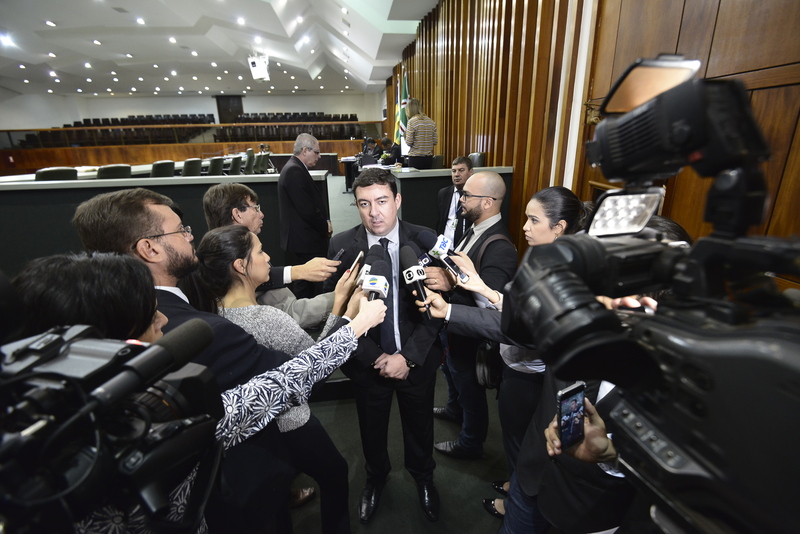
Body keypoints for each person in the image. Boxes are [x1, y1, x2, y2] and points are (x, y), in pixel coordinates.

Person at [11, 252, 385, 534]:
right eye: (150, 315)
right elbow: (274, 388)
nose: (163, 320)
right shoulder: (145, 420)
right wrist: (353, 327)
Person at [70, 188, 325, 532]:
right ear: (149, 248)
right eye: (181, 230)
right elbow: (298, 375)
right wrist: (349, 322)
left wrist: (295, 272)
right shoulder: (205, 330)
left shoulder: (102, 313)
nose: (191, 237)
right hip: (241, 495)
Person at [420, 185, 593, 522]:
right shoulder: (545, 258)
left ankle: (518, 502)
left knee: (524, 447)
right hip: (519, 368)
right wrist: (482, 287)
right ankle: (516, 486)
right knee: (521, 445)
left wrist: (451, 311)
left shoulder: (563, 275)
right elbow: (518, 311)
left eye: (533, 220)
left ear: (559, 227)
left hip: (530, 376)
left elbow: (521, 329)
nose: (524, 226)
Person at [186, 224, 364, 534]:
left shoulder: (210, 312)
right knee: (335, 473)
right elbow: (315, 368)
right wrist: (341, 308)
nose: (268, 257)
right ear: (240, 265)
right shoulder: (266, 318)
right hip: (290, 424)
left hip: (252, 436)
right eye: (260, 251)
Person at [322, 168, 445, 524]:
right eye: (364, 204)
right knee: (371, 428)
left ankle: (423, 477)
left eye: (381, 201)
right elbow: (338, 312)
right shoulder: (342, 245)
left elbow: (437, 310)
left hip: (416, 360)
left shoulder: (424, 241)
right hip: (368, 363)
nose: (374, 212)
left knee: (420, 426)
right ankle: (376, 478)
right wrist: (376, 357)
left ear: (397, 200)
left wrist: (408, 357)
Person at [427, 172, 518, 460]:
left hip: (471, 336)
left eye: (467, 195)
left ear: (488, 202)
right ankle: (454, 410)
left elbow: (490, 302)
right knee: (451, 374)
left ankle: (470, 443)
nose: (461, 200)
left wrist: (450, 283)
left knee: (470, 391)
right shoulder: (475, 228)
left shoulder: (500, 247)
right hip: (453, 326)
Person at [202, 182, 338, 329]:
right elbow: (292, 313)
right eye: (256, 208)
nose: (261, 214)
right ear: (237, 214)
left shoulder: (213, 257)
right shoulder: (246, 265)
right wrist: (342, 296)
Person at [278, 133, 332, 299]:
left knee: (306, 284)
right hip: (304, 242)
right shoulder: (294, 171)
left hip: (303, 239)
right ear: (305, 150)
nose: (319, 156)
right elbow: (307, 210)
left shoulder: (295, 168)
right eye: (316, 152)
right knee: (305, 286)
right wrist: (325, 226)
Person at [436, 156, 474, 243]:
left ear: (471, 172)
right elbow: (440, 222)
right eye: (454, 171)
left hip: (467, 245)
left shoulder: (477, 195)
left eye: (461, 170)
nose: (456, 174)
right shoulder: (443, 193)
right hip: (445, 245)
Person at [405, 98, 437, 169]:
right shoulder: (431, 121)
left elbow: (409, 142)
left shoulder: (411, 122)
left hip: (415, 158)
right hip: (428, 158)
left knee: (414, 176)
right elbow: (435, 141)